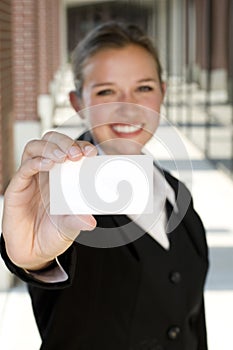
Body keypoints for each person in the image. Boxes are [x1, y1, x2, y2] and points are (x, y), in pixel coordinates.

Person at [0, 21, 209, 350]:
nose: (128, 107)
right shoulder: (58, 195)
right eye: (106, 91)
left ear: (162, 93)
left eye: (143, 88)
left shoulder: (176, 193)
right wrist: (33, 260)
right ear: (78, 103)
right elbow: (42, 260)